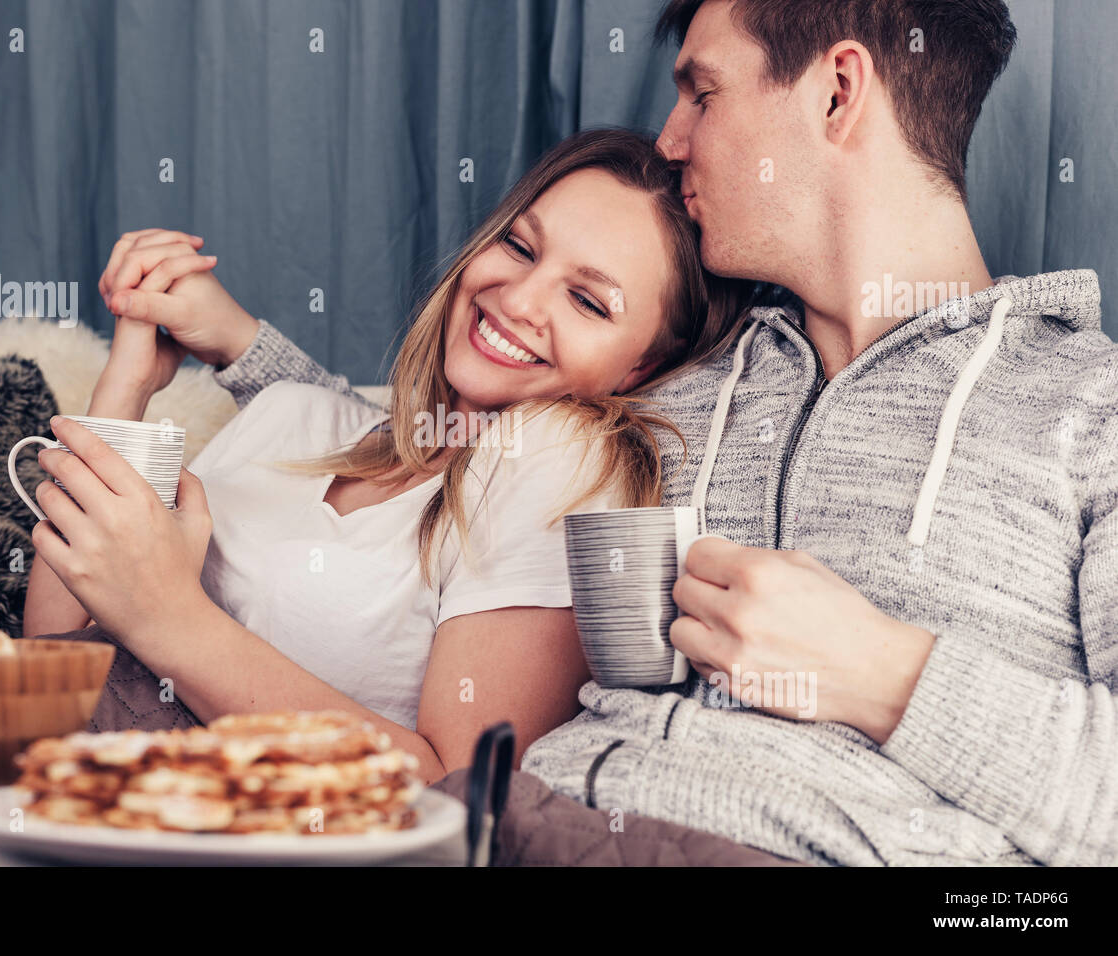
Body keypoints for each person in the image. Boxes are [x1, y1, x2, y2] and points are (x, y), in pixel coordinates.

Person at [101, 0, 1116, 866]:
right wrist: (237, 345)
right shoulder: (677, 376)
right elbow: (423, 447)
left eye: (702, 93)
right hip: (516, 826)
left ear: (836, 92)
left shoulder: (1090, 410)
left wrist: (889, 673)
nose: (671, 142)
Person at [22, 128, 754, 784]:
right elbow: (52, 657)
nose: (519, 299)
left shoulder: (561, 460)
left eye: (589, 303)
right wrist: (127, 381)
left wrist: (172, 620)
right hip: (81, 793)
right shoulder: (294, 414)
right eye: (520, 247)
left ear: (640, 370)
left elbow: (458, 786)